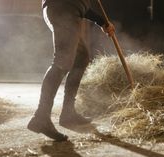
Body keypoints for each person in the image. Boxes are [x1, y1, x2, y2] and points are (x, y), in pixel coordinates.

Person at [27, 0, 115, 141]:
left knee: (81, 59)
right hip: (63, 9)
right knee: (62, 61)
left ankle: (68, 113)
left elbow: (81, 6)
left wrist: (102, 22)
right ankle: (41, 117)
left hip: (68, 10)